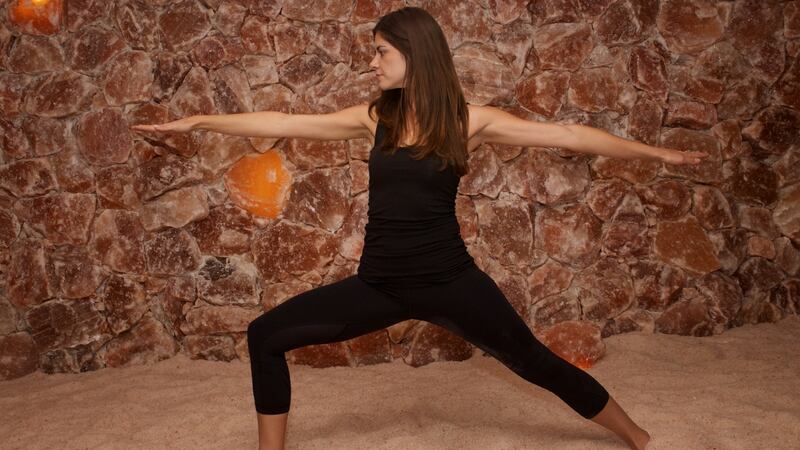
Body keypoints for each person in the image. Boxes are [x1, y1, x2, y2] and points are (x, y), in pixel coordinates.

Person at [132, 7, 708, 450]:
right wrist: (200, 120)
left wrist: (657, 154)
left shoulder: (468, 120)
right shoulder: (372, 118)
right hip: (379, 284)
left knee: (534, 361)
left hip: (450, 280)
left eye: (381, 52)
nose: (373, 62)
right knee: (266, 336)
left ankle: (637, 436)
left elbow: (570, 136)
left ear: (414, 52)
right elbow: (286, 120)